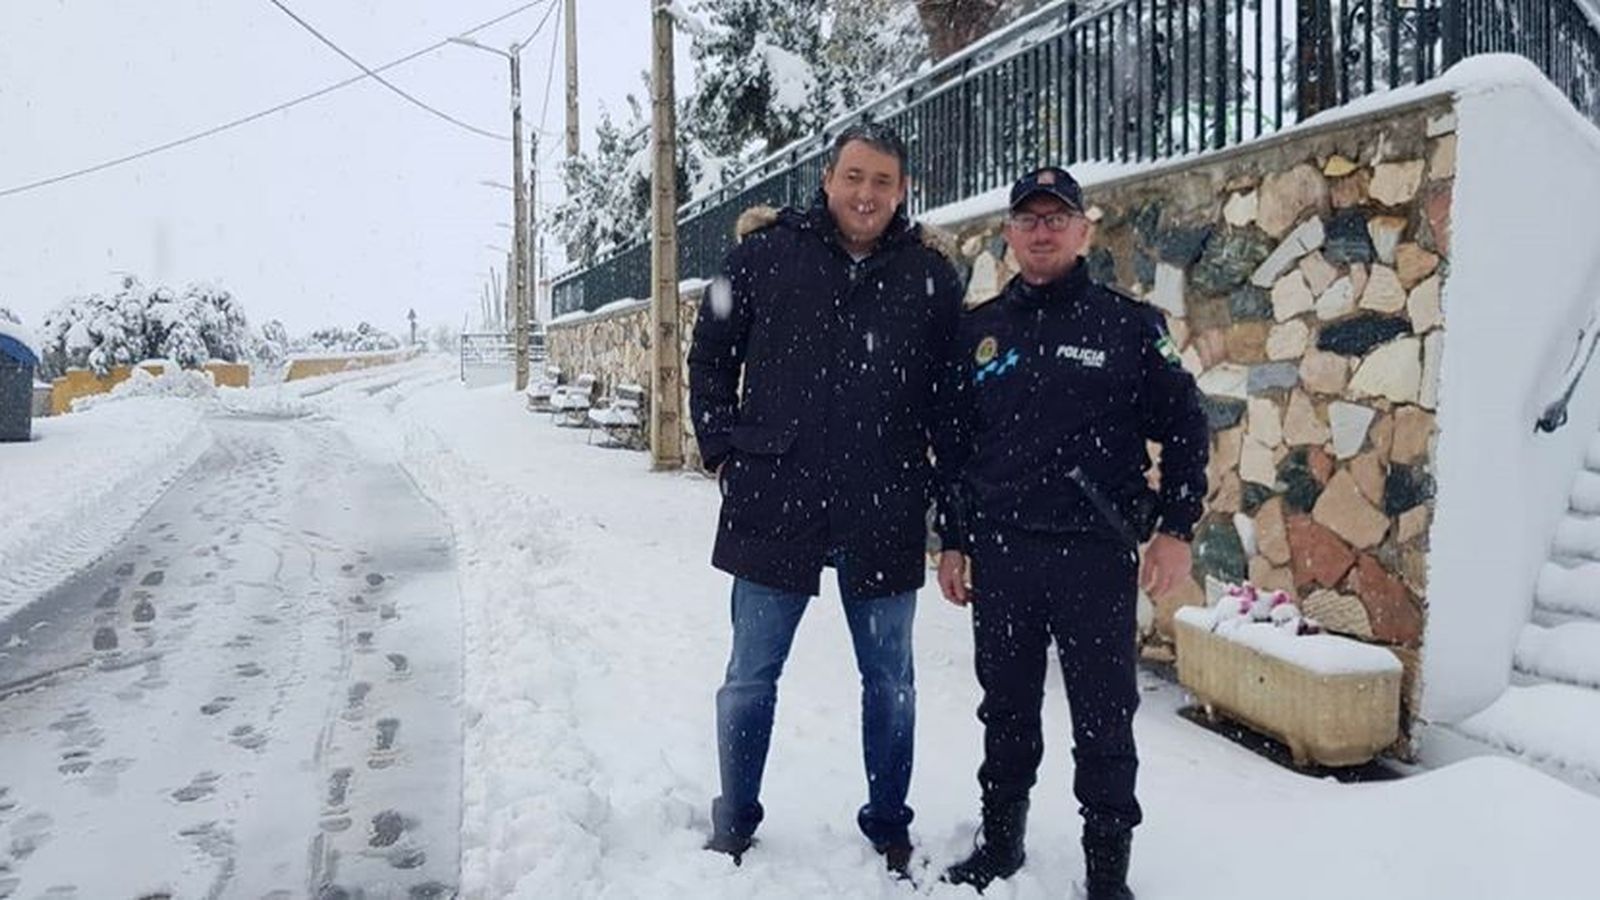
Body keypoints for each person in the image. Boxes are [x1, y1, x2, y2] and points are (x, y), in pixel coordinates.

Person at [688, 122, 965, 876]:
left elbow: (951, 404)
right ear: (827, 179)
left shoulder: (932, 276)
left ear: (903, 190)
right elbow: (710, 350)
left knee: (892, 682)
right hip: (777, 496)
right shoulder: (762, 254)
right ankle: (735, 818)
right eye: (853, 177)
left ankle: (888, 823)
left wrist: (954, 511)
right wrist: (722, 449)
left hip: (885, 503)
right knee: (750, 675)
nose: (866, 194)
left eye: (882, 181)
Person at [933, 166, 1209, 899]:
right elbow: (955, 451)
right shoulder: (979, 333)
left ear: (1086, 230)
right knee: (1008, 707)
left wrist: (1176, 527)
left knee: (1104, 716)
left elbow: (1186, 427)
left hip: (1093, 558)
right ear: (1009, 233)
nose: (1043, 230)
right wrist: (953, 540)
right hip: (1004, 554)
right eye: (1029, 218)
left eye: (1058, 217)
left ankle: (1107, 870)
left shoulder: (1129, 328)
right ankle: (1000, 843)